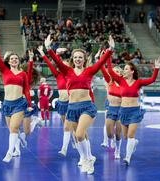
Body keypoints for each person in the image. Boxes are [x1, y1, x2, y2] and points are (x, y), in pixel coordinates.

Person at [42, 35, 114, 174]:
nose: (77, 59)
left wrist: (110, 50)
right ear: (72, 59)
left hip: (87, 106)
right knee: (77, 136)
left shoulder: (89, 71)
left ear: (84, 59)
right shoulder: (67, 71)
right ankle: (87, 158)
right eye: (75, 57)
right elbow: (56, 62)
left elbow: (101, 62)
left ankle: (87, 161)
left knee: (80, 134)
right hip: (72, 108)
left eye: (80, 57)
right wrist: (49, 49)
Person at [107, 57, 160, 166]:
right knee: (126, 136)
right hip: (123, 111)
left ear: (132, 71)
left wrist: (156, 68)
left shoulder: (138, 82)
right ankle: (133, 143)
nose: (124, 70)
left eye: (126, 69)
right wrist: (109, 55)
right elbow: (110, 70)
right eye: (124, 68)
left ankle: (127, 157)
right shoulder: (120, 80)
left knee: (131, 135)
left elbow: (152, 80)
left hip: (134, 111)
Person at [0, 33, 32, 163]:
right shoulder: (5, 71)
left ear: (18, 61)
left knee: (14, 127)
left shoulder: (23, 74)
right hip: (7, 104)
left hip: (19, 103)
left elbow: (26, 89)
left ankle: (9, 152)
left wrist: (29, 103)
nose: (14, 60)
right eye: (12, 59)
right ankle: (19, 140)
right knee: (12, 130)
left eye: (16, 58)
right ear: (8, 62)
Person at [38, 48, 74, 157]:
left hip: (71, 103)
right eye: (62, 64)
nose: (63, 66)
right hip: (62, 103)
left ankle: (64, 148)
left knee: (68, 126)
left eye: (65, 64)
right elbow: (50, 63)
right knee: (66, 126)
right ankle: (72, 139)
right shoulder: (57, 74)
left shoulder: (71, 74)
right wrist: (43, 54)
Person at [12, 50, 41, 157]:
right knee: (14, 130)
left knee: (26, 132)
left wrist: (31, 59)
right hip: (15, 105)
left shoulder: (26, 78)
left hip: (25, 106)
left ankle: (35, 121)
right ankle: (17, 150)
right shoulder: (13, 76)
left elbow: (29, 69)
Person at [100, 60, 123, 159]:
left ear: (121, 74)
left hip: (121, 109)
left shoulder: (124, 83)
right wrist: (105, 57)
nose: (115, 73)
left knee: (118, 133)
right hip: (111, 108)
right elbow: (103, 69)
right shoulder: (109, 81)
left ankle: (117, 150)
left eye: (117, 72)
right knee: (110, 134)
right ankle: (110, 140)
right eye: (114, 72)